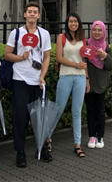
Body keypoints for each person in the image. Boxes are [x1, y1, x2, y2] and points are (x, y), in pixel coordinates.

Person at [4, 1, 52, 168]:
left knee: (40, 117)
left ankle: (42, 149)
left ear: (39, 15)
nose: (32, 14)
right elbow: (7, 55)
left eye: (35, 12)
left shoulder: (44, 34)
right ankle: (20, 152)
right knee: (20, 118)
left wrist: (42, 76)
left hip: (37, 81)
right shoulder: (16, 33)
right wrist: (21, 58)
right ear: (24, 14)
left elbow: (46, 57)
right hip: (20, 79)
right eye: (29, 11)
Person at [47, 12, 89, 158]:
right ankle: (47, 137)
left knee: (77, 112)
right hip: (65, 76)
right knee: (58, 109)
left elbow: (85, 60)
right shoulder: (61, 38)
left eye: (76, 21)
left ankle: (77, 144)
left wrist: (87, 78)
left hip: (80, 78)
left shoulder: (83, 39)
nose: (73, 24)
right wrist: (76, 65)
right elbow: (59, 58)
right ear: (67, 23)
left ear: (79, 23)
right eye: (71, 21)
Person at [85, 20, 112, 149]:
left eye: (99, 30)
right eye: (94, 30)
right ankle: (92, 136)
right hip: (89, 82)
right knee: (90, 110)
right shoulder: (87, 44)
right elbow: (83, 61)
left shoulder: (106, 47)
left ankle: (100, 136)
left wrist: (106, 56)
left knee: (100, 110)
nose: (96, 32)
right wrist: (86, 80)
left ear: (103, 31)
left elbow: (109, 67)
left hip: (101, 83)